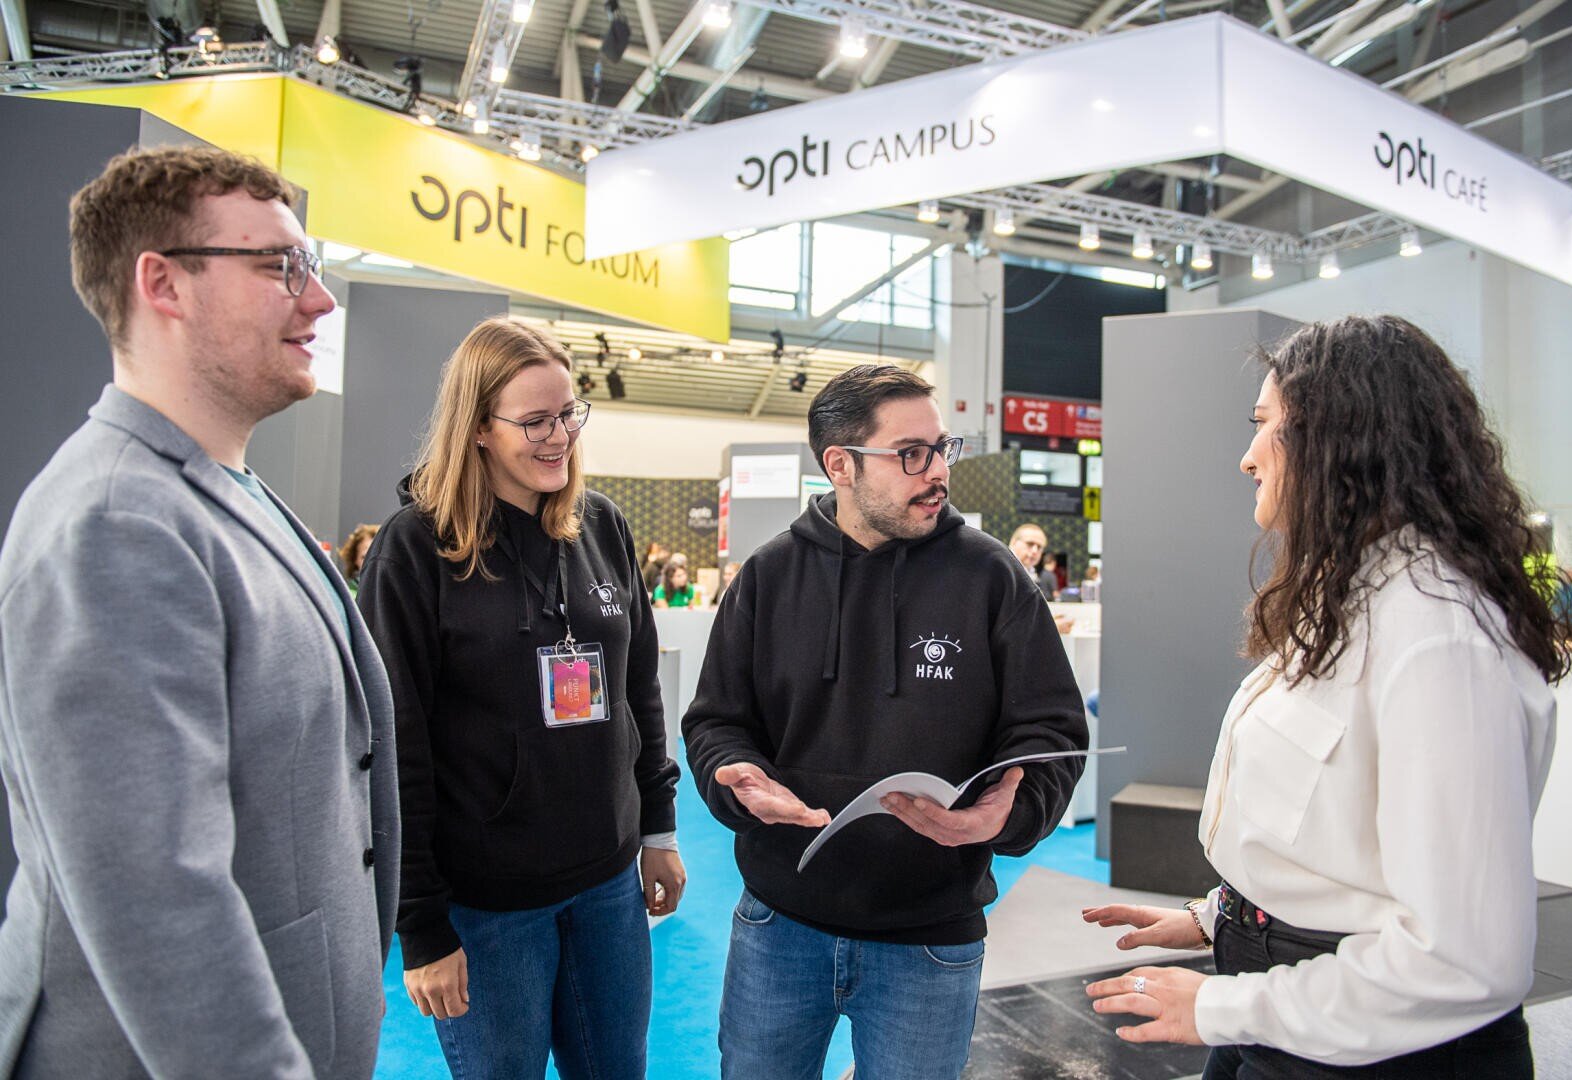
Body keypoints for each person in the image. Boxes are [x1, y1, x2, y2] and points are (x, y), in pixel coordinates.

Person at [0, 146, 399, 1077]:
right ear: (163, 284)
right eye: (280, 267)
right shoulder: (113, 523)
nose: (321, 299)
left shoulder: (225, 490)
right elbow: (154, 901)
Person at [1083, 315, 1568, 1078]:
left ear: (1341, 434)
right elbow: (1341, 837)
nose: (1247, 459)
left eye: (1265, 425)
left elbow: (1465, 959)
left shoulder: (1437, 636)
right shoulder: (1353, 599)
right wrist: (1223, 920)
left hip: (1374, 1040)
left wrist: (1219, 1007)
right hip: (1292, 1003)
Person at [683, 364, 1089, 1080]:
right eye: (910, 454)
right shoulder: (768, 578)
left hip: (929, 939)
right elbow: (717, 720)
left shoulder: (993, 579)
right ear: (839, 465)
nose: (936, 472)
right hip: (779, 925)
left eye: (942, 448)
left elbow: (1052, 732)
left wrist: (1006, 813)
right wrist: (732, 778)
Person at [359, 316, 683, 1080]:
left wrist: (659, 826)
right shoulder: (416, 549)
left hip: (607, 885)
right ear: (475, 427)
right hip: (487, 908)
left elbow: (640, 689)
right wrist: (422, 927)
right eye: (534, 421)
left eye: (569, 414)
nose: (558, 436)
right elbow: (393, 741)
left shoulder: (600, 525)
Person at [1009, 522, 1059, 599]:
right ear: (1014, 542)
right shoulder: (1000, 568)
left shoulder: (1032, 573)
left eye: (1039, 547)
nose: (1035, 551)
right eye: (1030, 544)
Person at [340, 521, 380, 594]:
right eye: (364, 557)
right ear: (355, 559)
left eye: (377, 556)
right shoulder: (350, 596)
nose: (372, 563)